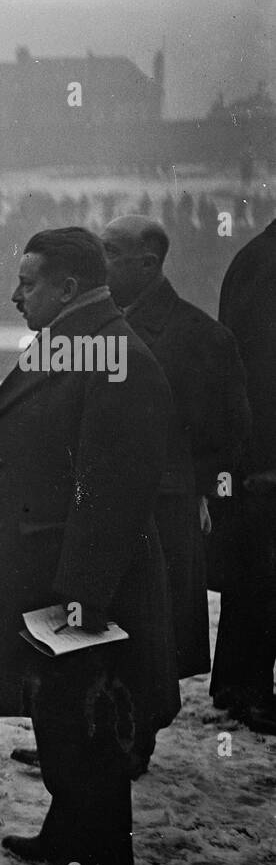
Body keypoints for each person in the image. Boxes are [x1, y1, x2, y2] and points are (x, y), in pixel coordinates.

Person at [0, 227, 177, 865]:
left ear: (69, 287)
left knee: (87, 718)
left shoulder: (113, 356)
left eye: (28, 282)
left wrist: (82, 594)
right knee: (61, 713)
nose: (15, 295)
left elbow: (113, 489)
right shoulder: (80, 343)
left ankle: (94, 855)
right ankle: (67, 831)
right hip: (49, 569)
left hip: (80, 579)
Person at [100, 215, 249, 771]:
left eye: (112, 252)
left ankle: (130, 742)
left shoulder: (199, 336)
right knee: (97, 619)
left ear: (149, 264)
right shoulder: (97, 327)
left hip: (162, 505)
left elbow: (229, 431)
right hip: (105, 501)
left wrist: (198, 491)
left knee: (146, 625)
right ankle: (90, 735)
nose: (102, 261)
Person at [212, 213, 276, 733]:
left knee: (252, 570)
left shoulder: (254, 257)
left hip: (252, 446)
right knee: (264, 571)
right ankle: (251, 690)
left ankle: (236, 682)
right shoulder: (268, 265)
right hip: (266, 449)